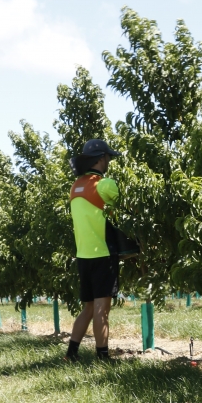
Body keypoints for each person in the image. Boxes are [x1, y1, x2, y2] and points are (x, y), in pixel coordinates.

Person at [64, 139, 122, 362]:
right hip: (102, 254)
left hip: (83, 256)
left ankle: (71, 354)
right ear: (100, 158)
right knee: (101, 309)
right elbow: (125, 208)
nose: (109, 161)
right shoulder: (104, 185)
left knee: (88, 308)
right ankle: (103, 357)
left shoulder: (76, 186)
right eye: (108, 157)